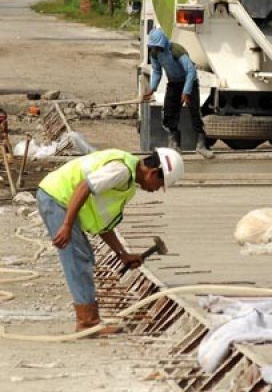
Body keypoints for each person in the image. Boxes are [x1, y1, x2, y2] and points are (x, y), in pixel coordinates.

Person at [36, 148, 184, 334]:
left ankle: (89, 320)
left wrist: (122, 254)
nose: (157, 190)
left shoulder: (128, 182)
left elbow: (102, 223)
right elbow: (84, 187)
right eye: (159, 184)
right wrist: (66, 225)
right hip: (57, 198)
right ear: (153, 173)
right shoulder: (121, 171)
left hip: (58, 198)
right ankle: (87, 323)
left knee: (83, 256)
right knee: (76, 257)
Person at [142, 28, 213, 159]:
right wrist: (152, 88)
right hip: (173, 83)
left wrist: (186, 91)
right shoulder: (155, 54)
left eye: (159, 47)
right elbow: (157, 72)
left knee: (194, 113)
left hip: (189, 82)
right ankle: (174, 144)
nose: (157, 50)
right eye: (154, 47)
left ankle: (202, 145)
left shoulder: (176, 50)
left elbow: (190, 71)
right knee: (169, 113)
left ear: (163, 43)